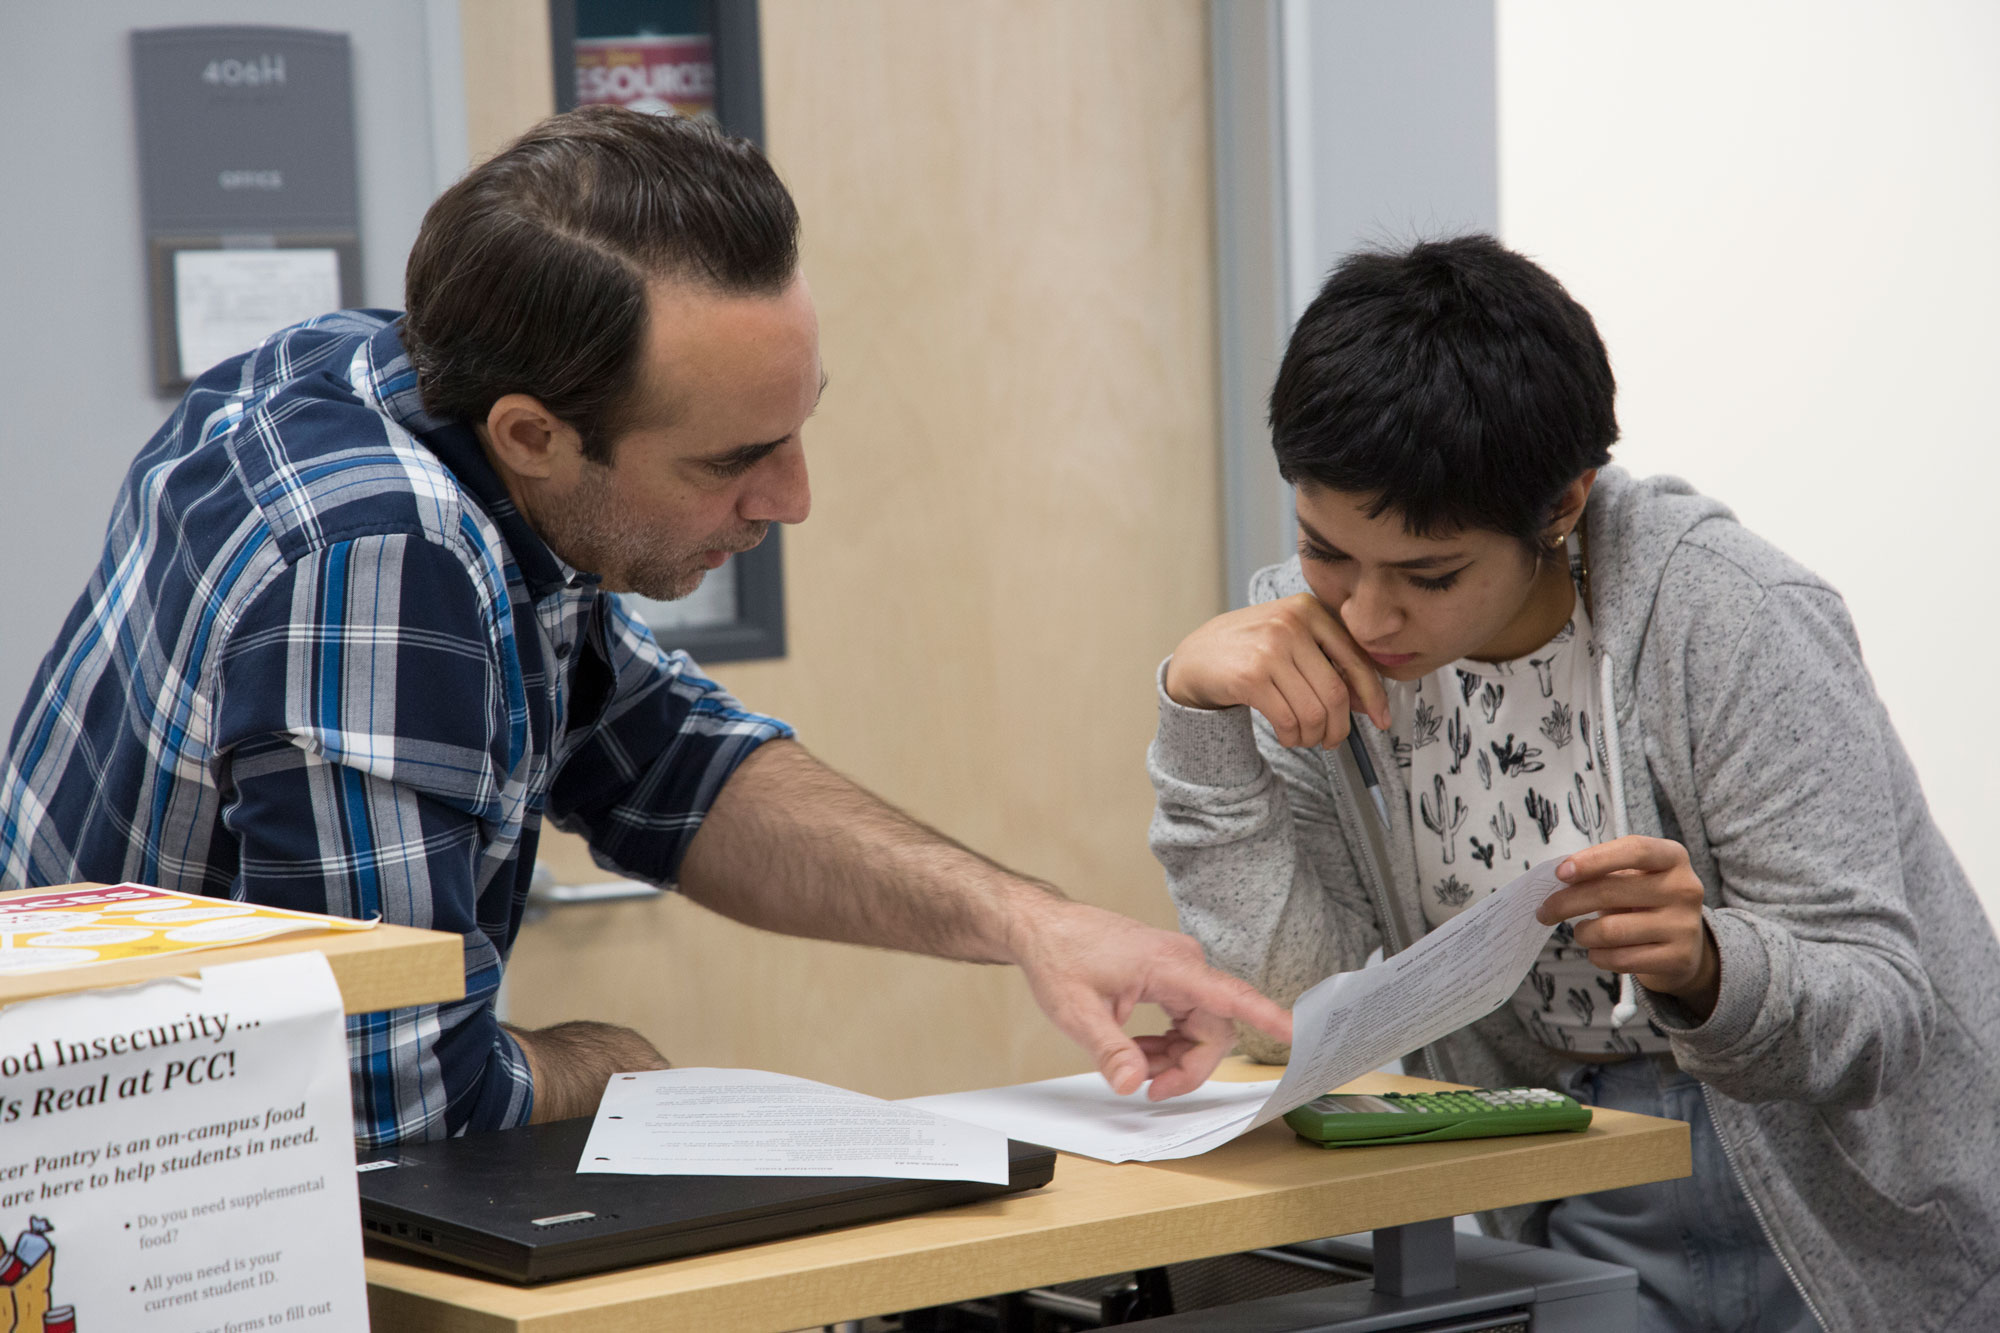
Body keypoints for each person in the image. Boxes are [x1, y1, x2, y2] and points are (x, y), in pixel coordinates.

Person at [0, 105, 1289, 1148]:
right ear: (533, 435)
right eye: (733, 459)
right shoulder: (377, 548)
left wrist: (1028, 920)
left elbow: (664, 762)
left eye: (798, 428)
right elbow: (386, 1101)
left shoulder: (389, 378)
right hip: (140, 1211)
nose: (792, 499)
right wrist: (618, 1066)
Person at [1147, 235, 2000, 1332]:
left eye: (1429, 574)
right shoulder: (1311, 650)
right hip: (1574, 1179)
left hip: (1858, 1206)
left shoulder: (1725, 618)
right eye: (1324, 552)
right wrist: (1198, 720)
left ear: (1561, 507)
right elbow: (1284, 1011)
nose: (1364, 615)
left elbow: (1882, 1011)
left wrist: (1705, 964)